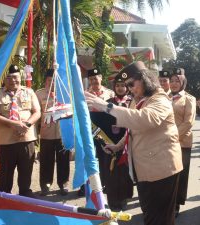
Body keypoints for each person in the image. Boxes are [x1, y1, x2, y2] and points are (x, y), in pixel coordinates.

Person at [85, 61, 183, 225]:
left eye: (131, 84)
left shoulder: (159, 99)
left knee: (161, 219)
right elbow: (132, 129)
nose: (130, 88)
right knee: (150, 215)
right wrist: (117, 146)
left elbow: (144, 119)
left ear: (145, 79)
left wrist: (106, 106)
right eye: (126, 85)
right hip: (145, 169)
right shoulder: (139, 99)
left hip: (162, 170)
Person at [0, 64, 41, 197]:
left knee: (26, 172)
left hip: (26, 139)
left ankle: (25, 197)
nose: (13, 80)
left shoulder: (29, 92)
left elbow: (37, 112)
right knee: (5, 176)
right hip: (6, 143)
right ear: (4, 80)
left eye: (15, 77)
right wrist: (14, 124)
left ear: (21, 77)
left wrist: (27, 125)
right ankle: (3, 200)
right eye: (9, 77)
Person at [78, 68, 115, 196]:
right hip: (89, 128)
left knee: (105, 157)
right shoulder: (84, 94)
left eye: (96, 78)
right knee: (88, 156)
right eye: (91, 79)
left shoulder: (110, 94)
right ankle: (85, 185)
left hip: (104, 130)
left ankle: (105, 183)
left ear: (101, 78)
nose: (94, 81)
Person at [100, 74, 134, 210]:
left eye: (123, 85)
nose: (120, 88)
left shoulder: (132, 102)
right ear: (114, 87)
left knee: (125, 173)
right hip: (110, 143)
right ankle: (113, 201)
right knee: (111, 173)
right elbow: (101, 123)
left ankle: (124, 199)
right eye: (118, 86)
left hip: (127, 142)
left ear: (127, 87)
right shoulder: (107, 103)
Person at [35, 69, 69, 196]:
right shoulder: (39, 94)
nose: (53, 83)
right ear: (46, 81)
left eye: (55, 80)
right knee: (46, 160)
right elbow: (36, 114)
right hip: (46, 134)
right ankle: (45, 184)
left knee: (64, 160)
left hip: (62, 133)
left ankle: (63, 184)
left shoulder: (65, 94)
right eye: (50, 80)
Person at [169, 68, 196, 216]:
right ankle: (167, 202)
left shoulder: (189, 99)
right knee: (167, 174)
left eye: (177, 81)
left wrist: (172, 137)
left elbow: (188, 122)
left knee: (180, 174)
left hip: (181, 142)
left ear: (183, 82)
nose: (173, 84)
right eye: (171, 81)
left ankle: (176, 204)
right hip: (164, 143)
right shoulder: (164, 97)